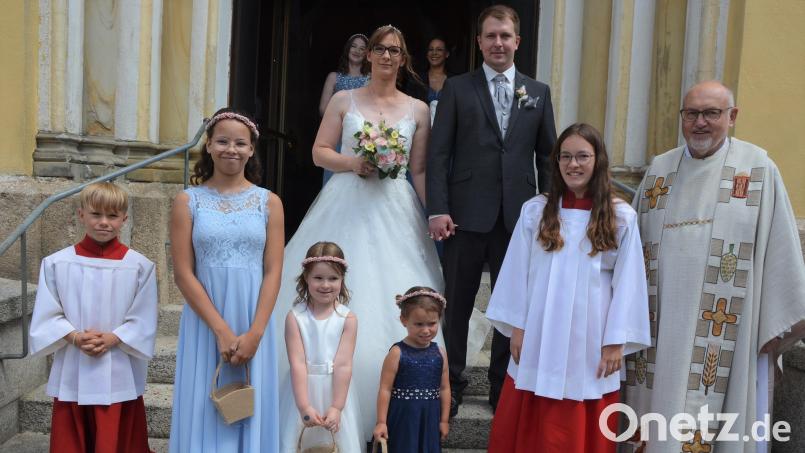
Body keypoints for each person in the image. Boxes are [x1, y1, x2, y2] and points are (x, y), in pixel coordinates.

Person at [272, 25, 443, 440]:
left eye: (395, 51)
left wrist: (431, 213)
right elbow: (318, 152)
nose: (387, 56)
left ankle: (384, 406)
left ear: (404, 59)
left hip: (395, 204)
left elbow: (417, 169)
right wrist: (354, 163)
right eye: (381, 49)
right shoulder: (344, 100)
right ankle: (325, 399)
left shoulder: (418, 109)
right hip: (347, 199)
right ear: (369, 56)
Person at [622, 81, 805, 452]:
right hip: (657, 335)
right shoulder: (659, 171)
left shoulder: (757, 171)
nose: (700, 123)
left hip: (729, 338)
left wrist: (776, 322)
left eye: (711, 113)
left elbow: (782, 248)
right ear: (682, 118)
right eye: (692, 114)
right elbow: (628, 250)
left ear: (732, 117)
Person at [484, 123, 651, 452]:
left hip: (590, 333)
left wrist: (616, 341)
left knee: (583, 399)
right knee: (532, 397)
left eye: (582, 156)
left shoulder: (620, 217)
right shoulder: (536, 211)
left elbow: (629, 283)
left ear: (598, 161)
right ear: (556, 163)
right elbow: (518, 271)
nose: (573, 164)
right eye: (566, 157)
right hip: (539, 328)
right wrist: (517, 327)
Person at [427, 4, 557, 416]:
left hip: (519, 220)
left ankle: (503, 388)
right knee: (458, 304)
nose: (498, 43)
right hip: (464, 215)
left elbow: (548, 157)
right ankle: (453, 384)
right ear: (479, 42)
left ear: (518, 41)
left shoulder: (537, 92)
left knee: (511, 306)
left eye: (505, 36)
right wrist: (438, 208)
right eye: (490, 36)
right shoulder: (457, 89)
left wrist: (551, 213)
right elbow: (438, 152)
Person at [169, 108, 285, 452]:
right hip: (206, 319)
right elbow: (182, 272)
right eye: (222, 141)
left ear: (251, 150)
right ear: (208, 145)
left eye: (240, 143)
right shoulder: (188, 201)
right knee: (205, 402)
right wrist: (220, 329)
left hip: (253, 316)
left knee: (250, 404)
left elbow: (273, 271)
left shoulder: (269, 202)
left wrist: (255, 333)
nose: (230, 149)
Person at [28, 181, 157, 453]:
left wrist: (114, 338)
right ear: (81, 214)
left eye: (112, 216)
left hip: (119, 360)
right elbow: (47, 313)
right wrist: (74, 337)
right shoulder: (57, 263)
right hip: (75, 360)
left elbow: (143, 317)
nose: (103, 222)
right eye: (96, 214)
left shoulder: (139, 266)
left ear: (124, 218)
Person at [279, 242, 363, 452]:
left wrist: (337, 407)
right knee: (296, 442)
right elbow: (297, 363)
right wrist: (304, 406)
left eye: (333, 278)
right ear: (306, 278)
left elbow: (343, 365)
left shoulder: (347, 319)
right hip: (301, 390)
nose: (326, 285)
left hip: (336, 390)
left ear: (342, 280)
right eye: (318, 278)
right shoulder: (295, 317)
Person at [373, 287, 451, 453]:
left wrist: (444, 420)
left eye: (432, 323)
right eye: (418, 324)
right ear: (404, 320)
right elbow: (385, 389)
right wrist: (381, 421)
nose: (426, 330)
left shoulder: (440, 353)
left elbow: (444, 388)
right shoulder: (397, 353)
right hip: (403, 416)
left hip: (429, 417)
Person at [319, 33, 371, 185]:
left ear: (367, 54)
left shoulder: (370, 79)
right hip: (337, 137)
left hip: (362, 138)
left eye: (362, 48)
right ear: (348, 49)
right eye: (354, 46)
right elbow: (323, 109)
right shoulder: (334, 77)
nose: (357, 51)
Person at [407, 37, 453, 123]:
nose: (434, 53)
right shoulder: (416, 79)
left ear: (446, 54)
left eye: (439, 49)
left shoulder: (455, 80)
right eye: (431, 49)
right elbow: (409, 108)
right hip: (421, 129)